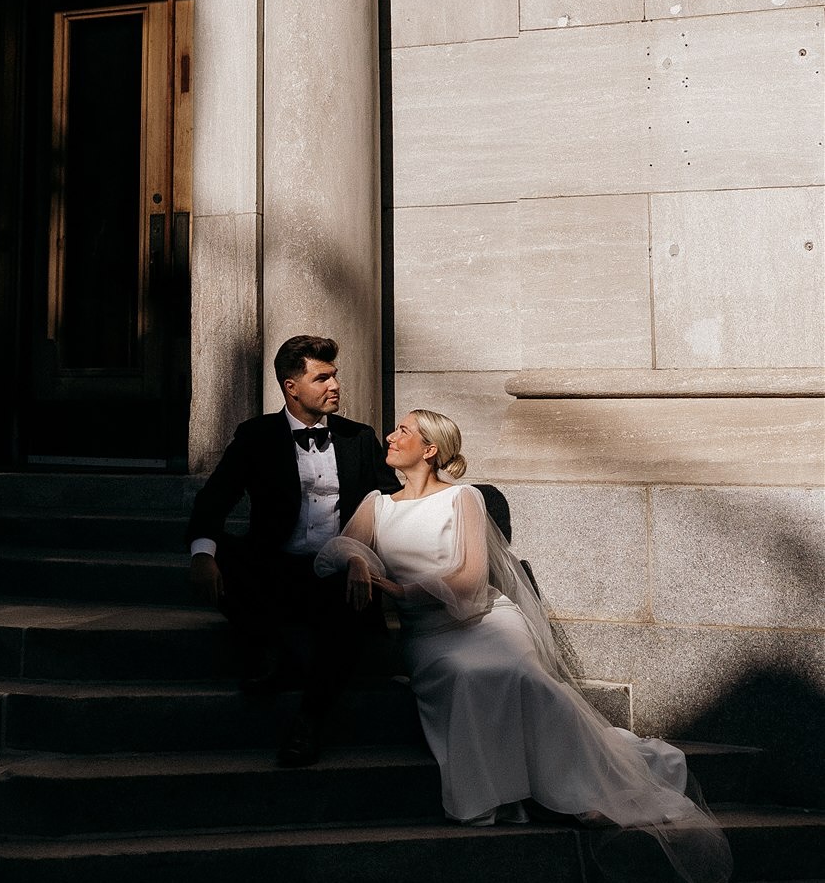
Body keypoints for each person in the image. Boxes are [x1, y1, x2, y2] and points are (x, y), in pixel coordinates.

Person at [315, 409, 733, 883]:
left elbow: (471, 579)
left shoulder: (464, 500)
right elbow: (335, 548)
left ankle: (581, 792)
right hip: (430, 636)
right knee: (466, 675)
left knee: (524, 675)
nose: (390, 436)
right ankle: (502, 792)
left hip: (486, 620)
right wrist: (356, 560)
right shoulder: (377, 504)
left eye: (403, 430)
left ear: (429, 449)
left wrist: (401, 592)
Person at [186, 333, 399, 767]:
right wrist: (202, 555)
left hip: (337, 571)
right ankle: (267, 646)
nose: (335, 385)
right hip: (275, 570)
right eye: (322, 378)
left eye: (335, 376)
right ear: (292, 387)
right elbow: (214, 500)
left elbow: (392, 501)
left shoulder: (360, 438)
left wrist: (364, 557)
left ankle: (308, 722)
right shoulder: (256, 436)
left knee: (347, 618)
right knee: (220, 552)